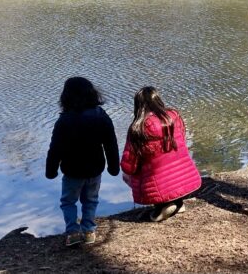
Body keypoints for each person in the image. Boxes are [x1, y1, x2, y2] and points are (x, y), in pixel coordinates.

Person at [45, 77, 120, 246]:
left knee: (68, 201)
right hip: (95, 169)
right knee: (91, 200)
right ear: (93, 94)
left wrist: (51, 170)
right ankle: (88, 231)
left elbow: (55, 149)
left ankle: (72, 232)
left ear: (66, 97)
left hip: (72, 170)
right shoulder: (101, 116)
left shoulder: (64, 121)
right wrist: (114, 166)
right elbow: (111, 144)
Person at [121, 86, 201, 222]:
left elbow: (128, 165)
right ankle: (178, 202)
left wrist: (127, 172)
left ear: (138, 106)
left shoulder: (138, 128)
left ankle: (161, 207)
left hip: (158, 183)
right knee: (171, 161)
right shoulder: (174, 116)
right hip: (185, 178)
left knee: (131, 172)